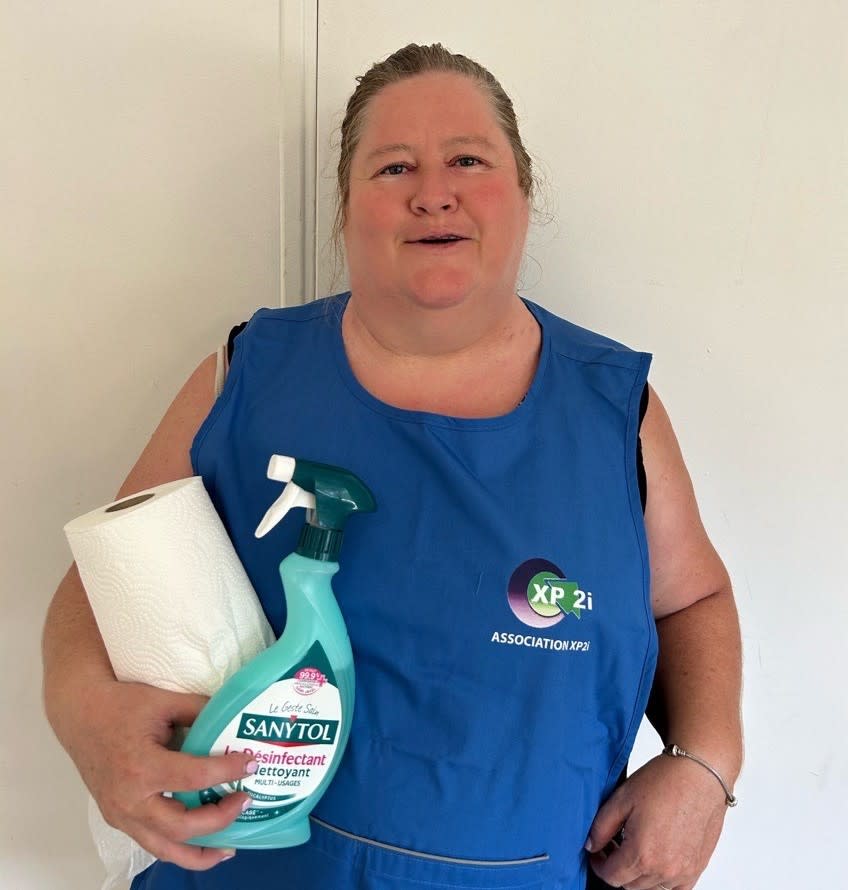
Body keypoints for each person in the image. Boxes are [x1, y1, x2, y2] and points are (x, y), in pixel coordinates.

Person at [42, 43, 742, 890]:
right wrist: (83, 717)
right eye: (394, 166)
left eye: (468, 160)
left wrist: (707, 765)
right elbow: (106, 578)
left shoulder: (614, 413)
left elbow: (692, 598)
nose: (433, 191)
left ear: (525, 194)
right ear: (346, 208)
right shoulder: (244, 375)